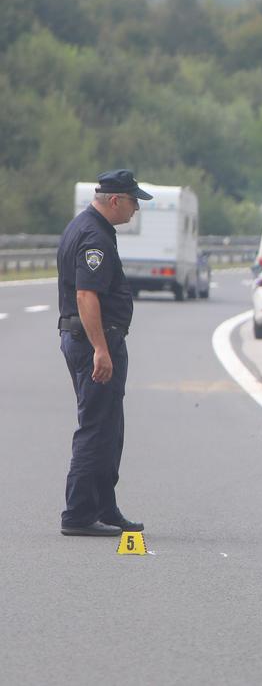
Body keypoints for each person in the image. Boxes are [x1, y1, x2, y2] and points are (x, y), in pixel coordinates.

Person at [56, 170, 152, 536]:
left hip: (92, 340)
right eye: (133, 202)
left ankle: (104, 506)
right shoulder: (93, 235)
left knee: (109, 427)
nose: (135, 209)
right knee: (96, 428)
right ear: (115, 200)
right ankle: (79, 514)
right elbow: (86, 295)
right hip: (92, 342)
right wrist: (101, 348)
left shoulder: (85, 227)